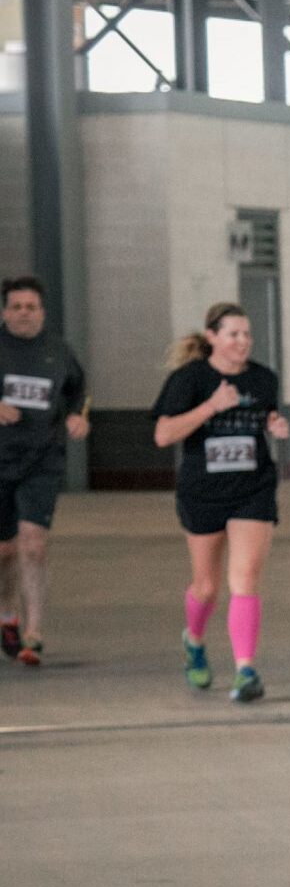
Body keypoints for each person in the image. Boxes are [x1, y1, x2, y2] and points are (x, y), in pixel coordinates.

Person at [152, 302, 289, 704]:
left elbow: (267, 417)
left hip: (253, 487)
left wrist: (274, 425)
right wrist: (211, 407)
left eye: (247, 334)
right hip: (203, 491)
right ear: (212, 337)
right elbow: (163, 435)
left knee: (244, 579)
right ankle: (193, 639)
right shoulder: (189, 379)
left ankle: (245, 669)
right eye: (233, 334)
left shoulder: (264, 379)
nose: (243, 341)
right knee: (207, 587)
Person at [0, 277, 91, 667]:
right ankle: (7, 615)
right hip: (1, 459)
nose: (24, 312)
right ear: (5, 311)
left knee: (33, 545)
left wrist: (76, 417)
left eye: (31, 306)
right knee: (4, 550)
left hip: (42, 459)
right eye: (16, 306)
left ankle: (34, 634)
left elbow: (79, 392)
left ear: (42, 311)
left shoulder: (58, 351)